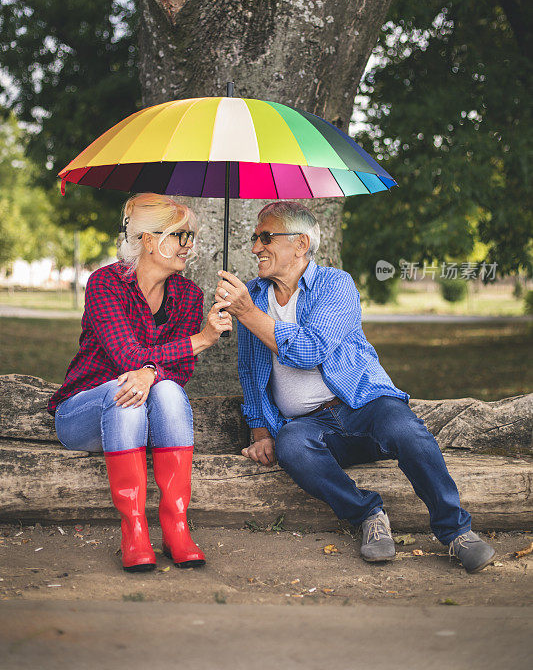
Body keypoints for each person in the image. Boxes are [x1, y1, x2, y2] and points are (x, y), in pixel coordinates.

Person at [215, 201, 495, 573]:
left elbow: (310, 349)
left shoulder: (335, 284)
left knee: (405, 430)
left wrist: (248, 313)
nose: (255, 248)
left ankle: (456, 531)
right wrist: (260, 429)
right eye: (254, 238)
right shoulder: (252, 293)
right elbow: (250, 370)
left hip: (363, 404)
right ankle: (369, 515)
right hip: (312, 426)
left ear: (300, 244)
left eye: (266, 237)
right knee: (292, 447)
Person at [49, 193, 232, 572]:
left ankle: (175, 527)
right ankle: (133, 528)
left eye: (190, 237)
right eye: (180, 236)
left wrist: (152, 372)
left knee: (165, 388)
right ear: (149, 240)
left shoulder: (188, 294)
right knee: (124, 390)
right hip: (82, 413)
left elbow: (179, 374)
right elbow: (127, 358)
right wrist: (200, 340)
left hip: (141, 415)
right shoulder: (105, 283)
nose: (188, 245)